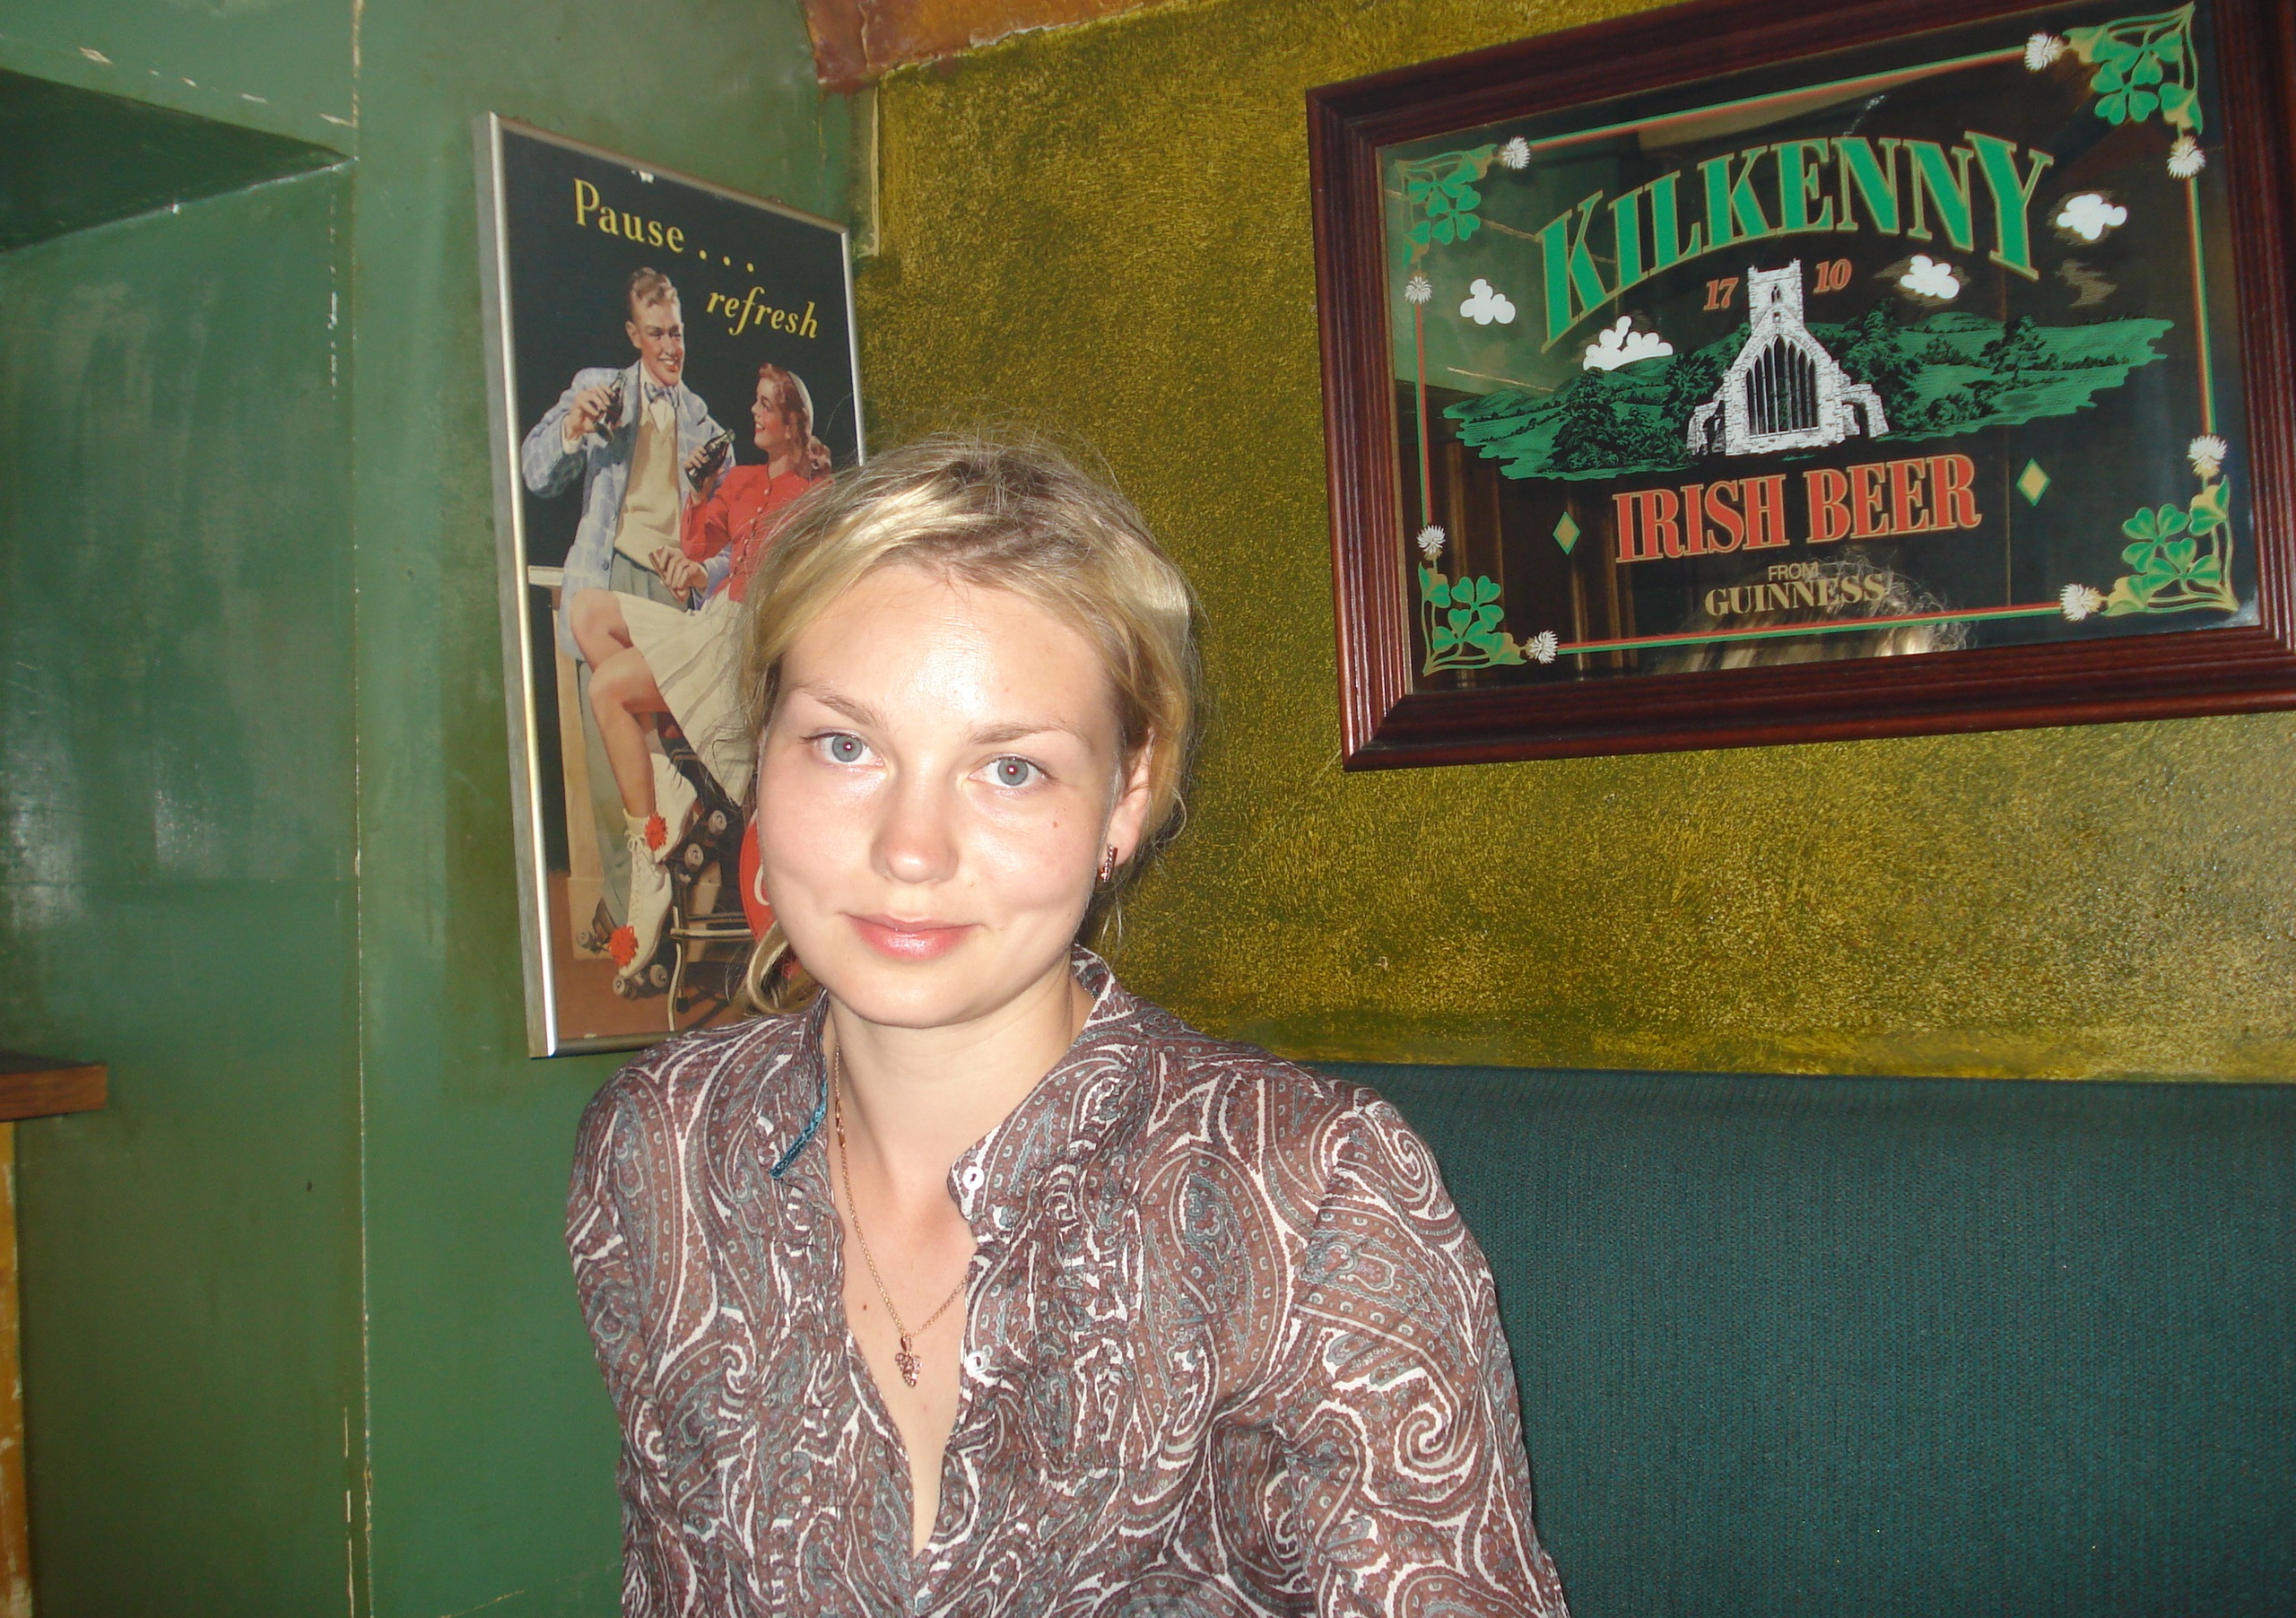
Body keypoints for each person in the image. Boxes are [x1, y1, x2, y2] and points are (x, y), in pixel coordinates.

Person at [566, 436, 1571, 1615]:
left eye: (1010, 770)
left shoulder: (1309, 1198)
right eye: (845, 745)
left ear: (1125, 799)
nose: (910, 850)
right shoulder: (659, 1145)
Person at [566, 364, 832, 976]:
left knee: (608, 689)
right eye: (756, 402)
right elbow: (699, 550)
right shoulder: (740, 481)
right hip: (711, 623)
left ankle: (649, 862)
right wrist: (700, 490)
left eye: (766, 406)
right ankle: (664, 782)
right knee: (588, 612)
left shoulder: (817, 495)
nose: (754, 413)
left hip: (747, 641)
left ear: (793, 422)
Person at [520, 268, 722, 943]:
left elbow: (727, 529)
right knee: (612, 764)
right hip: (606, 586)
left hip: (671, 599)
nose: (670, 347)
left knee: (665, 750)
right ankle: (623, 916)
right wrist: (574, 427)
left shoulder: (703, 420)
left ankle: (668, 911)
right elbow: (535, 472)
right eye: (657, 334)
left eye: (678, 333)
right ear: (634, 334)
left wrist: (703, 527)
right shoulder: (597, 387)